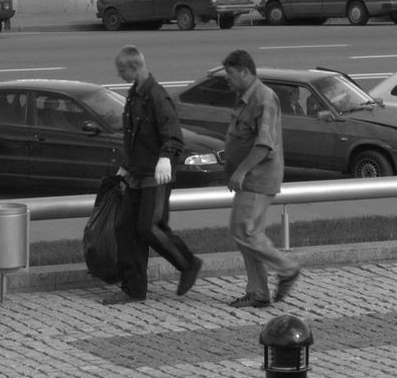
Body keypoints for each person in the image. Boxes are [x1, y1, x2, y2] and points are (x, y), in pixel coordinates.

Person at [102, 46, 203, 305]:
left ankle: (188, 264)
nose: (118, 74)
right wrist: (125, 166)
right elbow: (132, 137)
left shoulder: (156, 96)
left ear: (134, 67)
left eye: (121, 69)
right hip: (137, 174)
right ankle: (134, 288)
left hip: (156, 177)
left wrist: (166, 158)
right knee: (126, 229)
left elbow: (173, 134)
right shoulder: (134, 95)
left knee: (150, 227)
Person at [221, 49, 300, 308]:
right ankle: (258, 293)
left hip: (257, 177)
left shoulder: (264, 98)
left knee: (244, 231)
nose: (227, 80)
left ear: (245, 71)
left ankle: (287, 268)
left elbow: (265, 145)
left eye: (230, 74)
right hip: (249, 178)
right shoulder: (246, 97)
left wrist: (241, 170)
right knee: (246, 235)